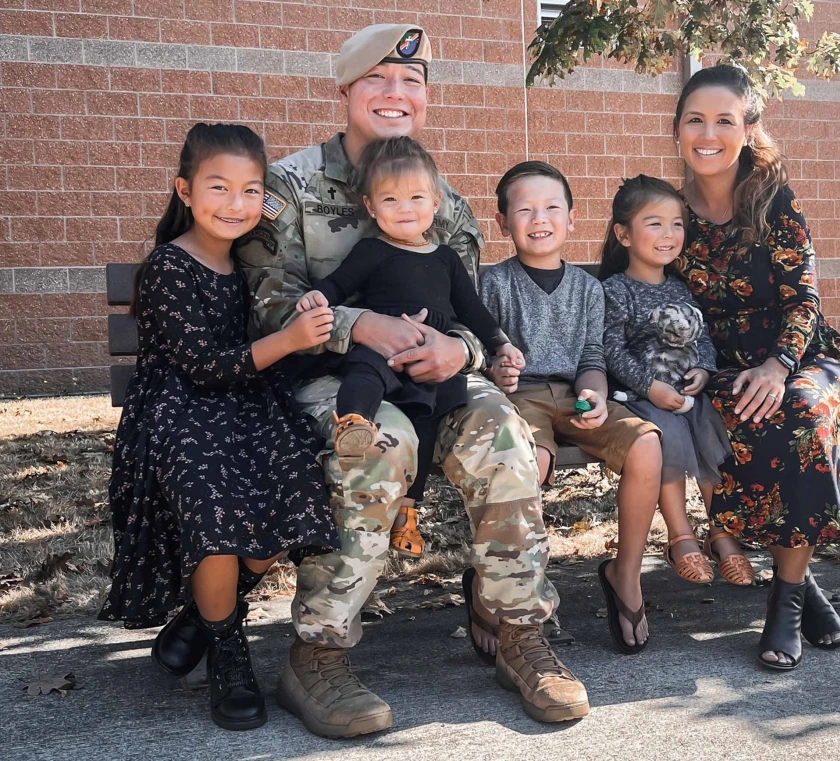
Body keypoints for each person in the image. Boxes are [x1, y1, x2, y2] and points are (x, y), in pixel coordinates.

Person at [233, 25, 588, 735]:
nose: (397, 94)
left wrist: (461, 350)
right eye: (378, 80)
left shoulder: (443, 200)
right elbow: (267, 303)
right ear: (345, 91)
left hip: (437, 379)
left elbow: (467, 310)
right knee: (379, 443)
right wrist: (360, 326)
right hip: (335, 376)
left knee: (504, 436)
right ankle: (316, 654)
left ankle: (520, 634)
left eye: (412, 82)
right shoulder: (291, 187)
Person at [99, 123, 339, 730]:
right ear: (184, 190)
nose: (237, 204)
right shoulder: (167, 269)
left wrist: (303, 310)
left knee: (303, 485)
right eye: (219, 187)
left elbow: (289, 316)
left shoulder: (256, 265)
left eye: (251, 190)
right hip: (179, 410)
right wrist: (286, 341)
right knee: (215, 506)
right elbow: (202, 367)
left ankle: (203, 620)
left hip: (246, 406)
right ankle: (229, 651)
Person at [671, 64, 840, 671]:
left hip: (803, 355)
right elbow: (638, 293)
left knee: (803, 411)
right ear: (678, 130)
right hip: (724, 371)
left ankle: (782, 601)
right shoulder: (668, 212)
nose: (708, 132)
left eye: (724, 120)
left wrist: (780, 365)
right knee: (754, 420)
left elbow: (806, 297)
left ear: (748, 129)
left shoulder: (773, 198)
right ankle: (803, 587)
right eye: (695, 119)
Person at [295, 135, 524, 556]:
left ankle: (408, 516)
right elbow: (339, 283)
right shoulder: (371, 250)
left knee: (426, 423)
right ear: (370, 207)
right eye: (391, 200)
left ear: (435, 202)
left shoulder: (445, 259)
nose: (405, 209)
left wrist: (500, 345)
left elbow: (472, 309)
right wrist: (319, 298)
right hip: (382, 347)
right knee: (363, 373)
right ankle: (353, 425)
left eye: (416, 197)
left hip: (430, 360)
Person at [481, 161, 663, 655]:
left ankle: (625, 576)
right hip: (520, 398)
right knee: (530, 463)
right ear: (502, 222)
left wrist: (597, 394)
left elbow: (591, 357)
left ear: (572, 218)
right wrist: (497, 371)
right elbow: (482, 356)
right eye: (524, 209)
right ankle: (499, 584)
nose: (539, 218)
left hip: (575, 393)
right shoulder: (494, 284)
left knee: (646, 444)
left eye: (551, 207)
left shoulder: (587, 288)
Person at [597, 175, 743, 588]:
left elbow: (703, 340)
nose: (669, 234)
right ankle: (681, 538)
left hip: (687, 392)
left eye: (677, 223)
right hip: (644, 396)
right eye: (655, 223)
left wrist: (705, 370)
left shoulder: (681, 287)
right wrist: (650, 387)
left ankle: (721, 533)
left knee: (710, 429)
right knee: (670, 437)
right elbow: (612, 352)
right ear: (623, 234)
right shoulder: (615, 291)